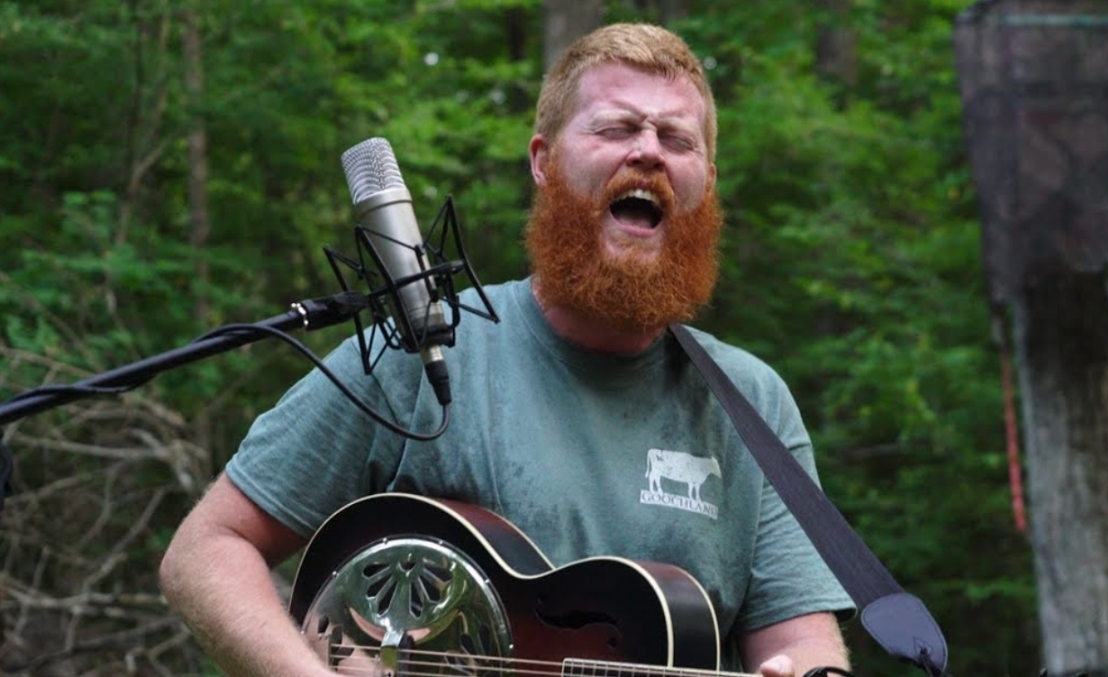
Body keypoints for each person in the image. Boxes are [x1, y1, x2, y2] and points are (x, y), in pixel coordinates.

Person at [159, 22, 854, 677]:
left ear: (706, 181)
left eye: (678, 138)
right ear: (544, 162)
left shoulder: (752, 402)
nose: (649, 150)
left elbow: (800, 635)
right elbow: (208, 548)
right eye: (616, 128)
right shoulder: (421, 352)